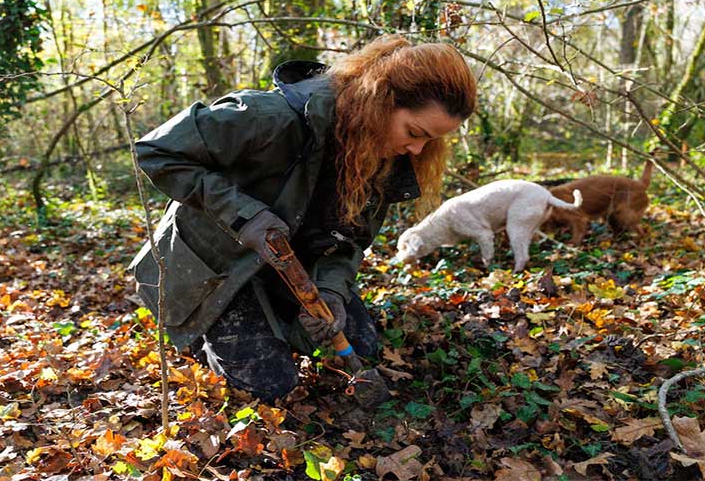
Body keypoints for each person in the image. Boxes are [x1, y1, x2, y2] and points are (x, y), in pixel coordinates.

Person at [129, 34, 477, 401]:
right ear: (379, 101)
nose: (417, 150)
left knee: (361, 345)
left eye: (430, 142)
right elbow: (156, 149)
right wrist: (243, 216)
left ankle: (275, 323)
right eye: (415, 133)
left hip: (288, 271)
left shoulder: (386, 161)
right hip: (213, 267)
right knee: (270, 386)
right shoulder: (269, 117)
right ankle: (202, 331)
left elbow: (349, 244)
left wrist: (330, 291)